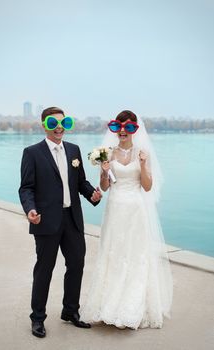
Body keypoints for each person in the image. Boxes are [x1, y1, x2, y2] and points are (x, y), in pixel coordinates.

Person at [81, 110, 173, 329]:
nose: (123, 131)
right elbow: (104, 187)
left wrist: (142, 164)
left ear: (134, 130)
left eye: (128, 127)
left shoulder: (142, 153)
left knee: (135, 255)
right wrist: (104, 171)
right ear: (114, 129)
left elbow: (147, 186)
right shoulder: (108, 153)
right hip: (114, 210)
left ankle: (132, 307)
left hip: (135, 210)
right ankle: (108, 305)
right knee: (113, 253)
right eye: (119, 127)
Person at [19, 106, 102, 338]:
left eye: (63, 123)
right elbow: (26, 188)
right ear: (44, 126)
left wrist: (91, 195)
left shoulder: (74, 150)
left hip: (72, 219)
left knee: (76, 265)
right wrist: (30, 210)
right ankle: (37, 319)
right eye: (52, 123)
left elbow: (81, 182)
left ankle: (70, 311)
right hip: (46, 221)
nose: (58, 127)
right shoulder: (32, 152)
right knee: (44, 269)